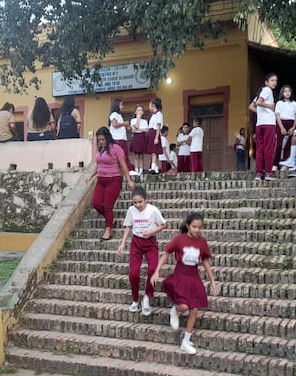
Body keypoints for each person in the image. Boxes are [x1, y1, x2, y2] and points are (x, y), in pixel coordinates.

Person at [150, 212, 218, 355]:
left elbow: (205, 261)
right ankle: (175, 310)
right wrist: (157, 271)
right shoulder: (179, 240)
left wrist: (212, 280)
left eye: (200, 227)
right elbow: (166, 253)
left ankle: (186, 341)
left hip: (194, 278)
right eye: (194, 227)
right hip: (180, 276)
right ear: (188, 226)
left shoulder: (202, 242)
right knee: (184, 306)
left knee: (194, 310)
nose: (197, 230)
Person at [117, 186, 167, 317]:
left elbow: (163, 225)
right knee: (133, 273)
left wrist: (151, 232)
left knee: (152, 269)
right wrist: (123, 243)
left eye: (140, 202)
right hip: (136, 243)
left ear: (146, 200)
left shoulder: (153, 210)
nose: (138, 205)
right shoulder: (131, 211)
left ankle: (147, 298)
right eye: (135, 202)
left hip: (150, 243)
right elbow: (128, 226)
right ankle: (135, 300)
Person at [87, 126, 134, 241]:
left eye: (103, 139)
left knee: (107, 206)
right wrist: (91, 175)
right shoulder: (99, 149)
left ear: (108, 138)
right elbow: (99, 165)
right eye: (99, 140)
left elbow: (123, 165)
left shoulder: (116, 148)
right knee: (96, 203)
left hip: (113, 180)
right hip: (101, 180)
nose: (101, 142)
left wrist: (129, 180)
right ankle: (110, 219)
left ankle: (108, 229)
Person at [249, 73, 278, 181]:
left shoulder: (261, 91)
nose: (274, 82)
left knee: (260, 149)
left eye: (275, 80)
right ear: (266, 82)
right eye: (272, 80)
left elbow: (251, 106)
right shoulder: (268, 90)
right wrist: (269, 106)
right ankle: (269, 173)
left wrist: (261, 113)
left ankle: (259, 173)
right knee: (269, 148)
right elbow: (259, 102)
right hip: (269, 124)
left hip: (260, 124)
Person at [275, 85, 296, 169]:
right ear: (282, 93)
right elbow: (277, 116)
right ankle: (276, 163)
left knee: (289, 144)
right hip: (281, 122)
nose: (287, 93)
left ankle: (285, 163)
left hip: (291, 123)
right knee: (279, 144)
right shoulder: (279, 103)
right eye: (285, 91)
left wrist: (293, 127)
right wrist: (281, 127)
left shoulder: (294, 103)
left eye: (289, 91)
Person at [109, 98, 131, 171]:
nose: (123, 106)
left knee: (124, 155)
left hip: (121, 138)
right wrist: (124, 123)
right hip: (118, 139)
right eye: (121, 105)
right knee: (122, 155)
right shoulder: (114, 114)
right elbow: (115, 124)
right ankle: (127, 170)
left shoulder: (119, 115)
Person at [146, 97, 164, 174]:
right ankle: (155, 168)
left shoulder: (159, 114)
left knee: (154, 152)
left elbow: (158, 126)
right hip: (151, 133)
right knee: (153, 152)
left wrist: (156, 137)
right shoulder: (154, 115)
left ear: (153, 105)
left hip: (154, 133)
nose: (149, 107)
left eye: (149, 105)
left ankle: (153, 167)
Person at [130, 105, 148, 176]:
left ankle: (141, 170)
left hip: (142, 137)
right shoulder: (133, 120)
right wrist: (138, 119)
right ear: (135, 112)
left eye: (141, 110)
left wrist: (139, 129)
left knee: (141, 156)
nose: (139, 112)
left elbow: (146, 129)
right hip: (136, 137)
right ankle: (136, 170)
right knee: (136, 155)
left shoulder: (145, 121)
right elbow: (135, 128)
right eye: (138, 110)